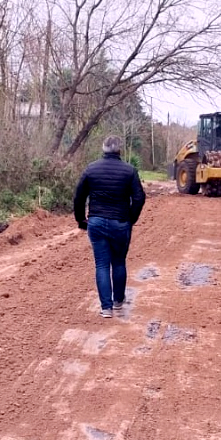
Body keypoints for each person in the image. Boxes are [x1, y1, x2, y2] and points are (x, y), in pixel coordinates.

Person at [73, 136, 146, 318]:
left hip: (96, 221)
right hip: (120, 222)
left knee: (102, 265)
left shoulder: (91, 169)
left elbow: (79, 197)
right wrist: (131, 219)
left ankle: (106, 308)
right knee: (119, 262)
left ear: (103, 149)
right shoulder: (129, 171)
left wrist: (81, 219)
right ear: (119, 150)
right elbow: (139, 197)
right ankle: (118, 302)